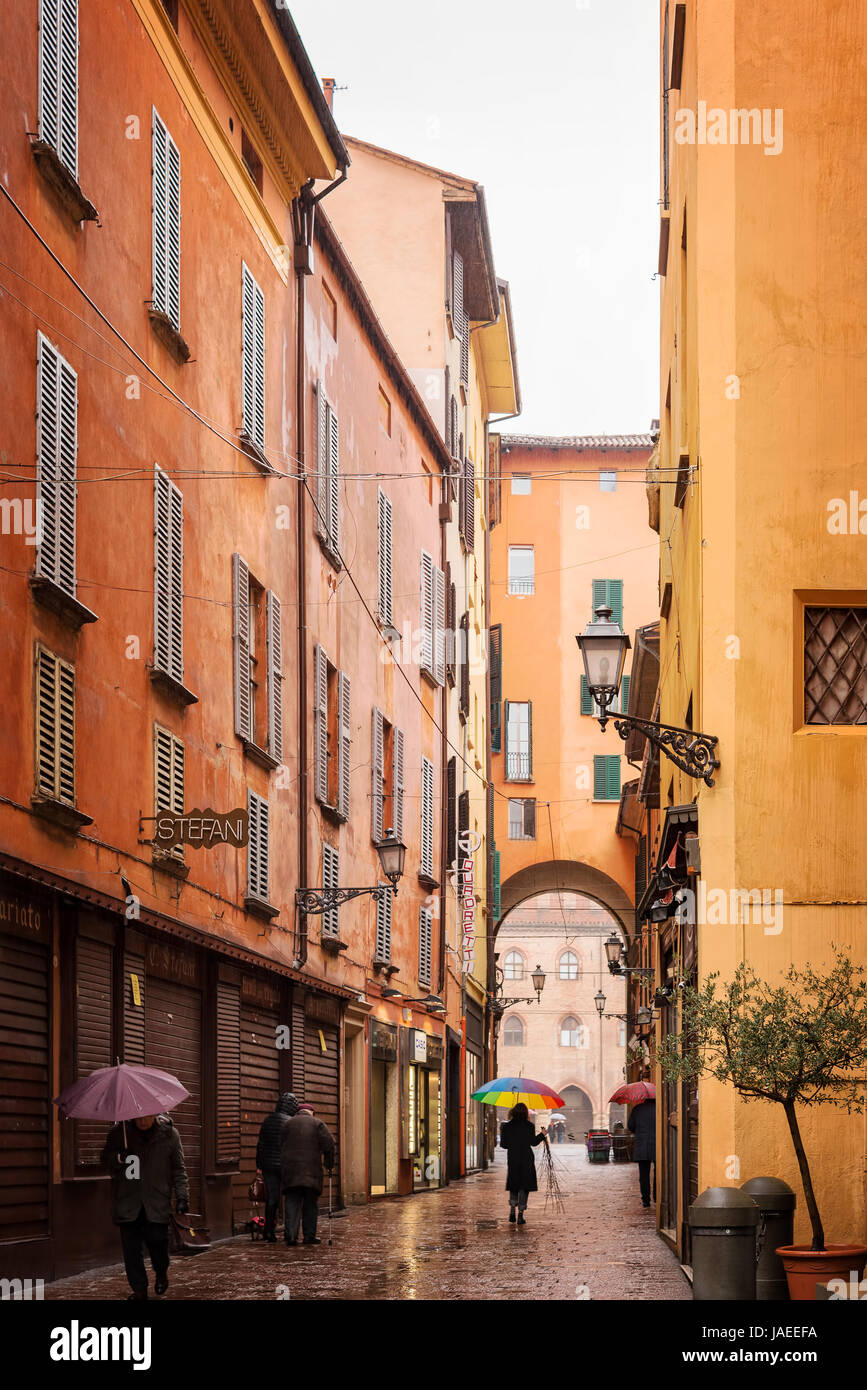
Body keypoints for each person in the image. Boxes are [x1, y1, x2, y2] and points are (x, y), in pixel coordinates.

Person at [101, 1113, 189, 1300]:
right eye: (138, 1117)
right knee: (131, 1250)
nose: (142, 1121)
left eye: (147, 1117)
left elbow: (178, 1169)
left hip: (156, 1202)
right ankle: (139, 1289)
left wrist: (182, 1197)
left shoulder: (170, 1135)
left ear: (155, 1114)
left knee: (158, 1243)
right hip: (128, 1201)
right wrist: (118, 1158)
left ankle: (161, 1272)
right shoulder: (120, 1134)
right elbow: (105, 1161)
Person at [280, 1101, 335, 1246]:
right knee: (310, 1205)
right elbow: (329, 1144)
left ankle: (291, 1236)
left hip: (291, 1172)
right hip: (311, 1172)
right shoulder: (317, 1124)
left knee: (292, 1203)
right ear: (311, 1112)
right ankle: (309, 1236)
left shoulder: (287, 1124)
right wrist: (329, 1165)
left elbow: (281, 1144)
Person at [255, 1092, 299, 1242]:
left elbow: (260, 1145)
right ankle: (289, 1232)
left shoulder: (268, 1121)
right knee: (289, 1198)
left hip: (268, 1166)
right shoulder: (291, 1122)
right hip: (285, 1165)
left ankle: (269, 1231)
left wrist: (259, 1165)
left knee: (272, 1199)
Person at [498, 1101, 548, 1225]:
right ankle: (520, 1214)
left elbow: (503, 1145)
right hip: (526, 1158)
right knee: (524, 1186)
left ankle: (512, 1211)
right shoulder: (529, 1126)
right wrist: (542, 1135)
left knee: (514, 1184)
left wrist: (505, 1134)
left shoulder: (507, 1126)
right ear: (526, 1113)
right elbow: (533, 1142)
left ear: (513, 1112)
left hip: (513, 1158)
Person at [628, 1097, 656, 1207]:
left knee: (644, 1175)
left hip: (642, 1146)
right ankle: (657, 1196)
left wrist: (639, 1132)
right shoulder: (660, 1108)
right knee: (658, 1173)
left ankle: (646, 1200)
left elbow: (631, 1126)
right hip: (657, 1144)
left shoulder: (637, 1109)